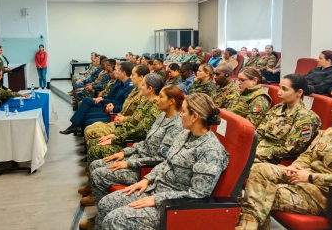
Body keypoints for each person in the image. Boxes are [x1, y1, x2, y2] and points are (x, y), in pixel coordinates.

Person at [95, 93, 229, 229]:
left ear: (194, 116)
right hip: (155, 187)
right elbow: (166, 162)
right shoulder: (185, 134)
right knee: (105, 203)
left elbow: (197, 195)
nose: (180, 115)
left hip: (171, 205)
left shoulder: (210, 151)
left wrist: (157, 199)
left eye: (183, 111)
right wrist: (146, 180)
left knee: (113, 220)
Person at [78, 85, 185, 229]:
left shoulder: (176, 125)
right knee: (96, 164)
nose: (157, 100)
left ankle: (101, 217)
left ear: (171, 102)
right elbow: (146, 142)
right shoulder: (162, 116)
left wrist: (128, 163)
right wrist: (124, 153)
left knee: (99, 174)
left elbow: (161, 158)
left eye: (161, 97)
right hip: (137, 157)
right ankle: (102, 214)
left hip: (144, 167)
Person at [236, 96, 332, 230]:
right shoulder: (331, 131)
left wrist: (310, 177)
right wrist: (296, 167)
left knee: (262, 193)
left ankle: (247, 227)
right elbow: (308, 154)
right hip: (303, 177)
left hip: (324, 194)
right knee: (260, 169)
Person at [85, 74, 164, 171]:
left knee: (95, 149)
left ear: (150, 89)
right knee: (94, 142)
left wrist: (115, 139)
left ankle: (95, 176)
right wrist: (114, 134)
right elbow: (130, 123)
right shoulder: (145, 102)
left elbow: (139, 131)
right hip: (125, 136)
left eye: (143, 85)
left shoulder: (155, 107)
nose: (140, 87)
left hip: (131, 142)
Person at [255, 74, 321, 164]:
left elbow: (292, 150)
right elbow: (260, 132)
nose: (279, 92)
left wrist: (259, 153)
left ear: (299, 92)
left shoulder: (306, 118)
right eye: (280, 88)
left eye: (284, 89)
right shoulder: (277, 108)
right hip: (258, 151)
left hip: (273, 160)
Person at [60, 62, 135, 134]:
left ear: (124, 73)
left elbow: (124, 106)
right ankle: (76, 127)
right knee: (86, 105)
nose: (115, 72)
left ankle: (76, 127)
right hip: (109, 105)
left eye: (117, 70)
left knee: (88, 115)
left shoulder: (129, 87)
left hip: (113, 112)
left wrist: (109, 105)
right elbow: (113, 97)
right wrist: (103, 98)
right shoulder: (121, 83)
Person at [83, 65, 149, 147]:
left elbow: (137, 118)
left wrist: (120, 115)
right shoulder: (134, 90)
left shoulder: (143, 95)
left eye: (133, 75)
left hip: (124, 125)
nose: (130, 77)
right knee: (88, 126)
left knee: (90, 130)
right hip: (119, 119)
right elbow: (124, 106)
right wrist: (113, 106)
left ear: (141, 77)